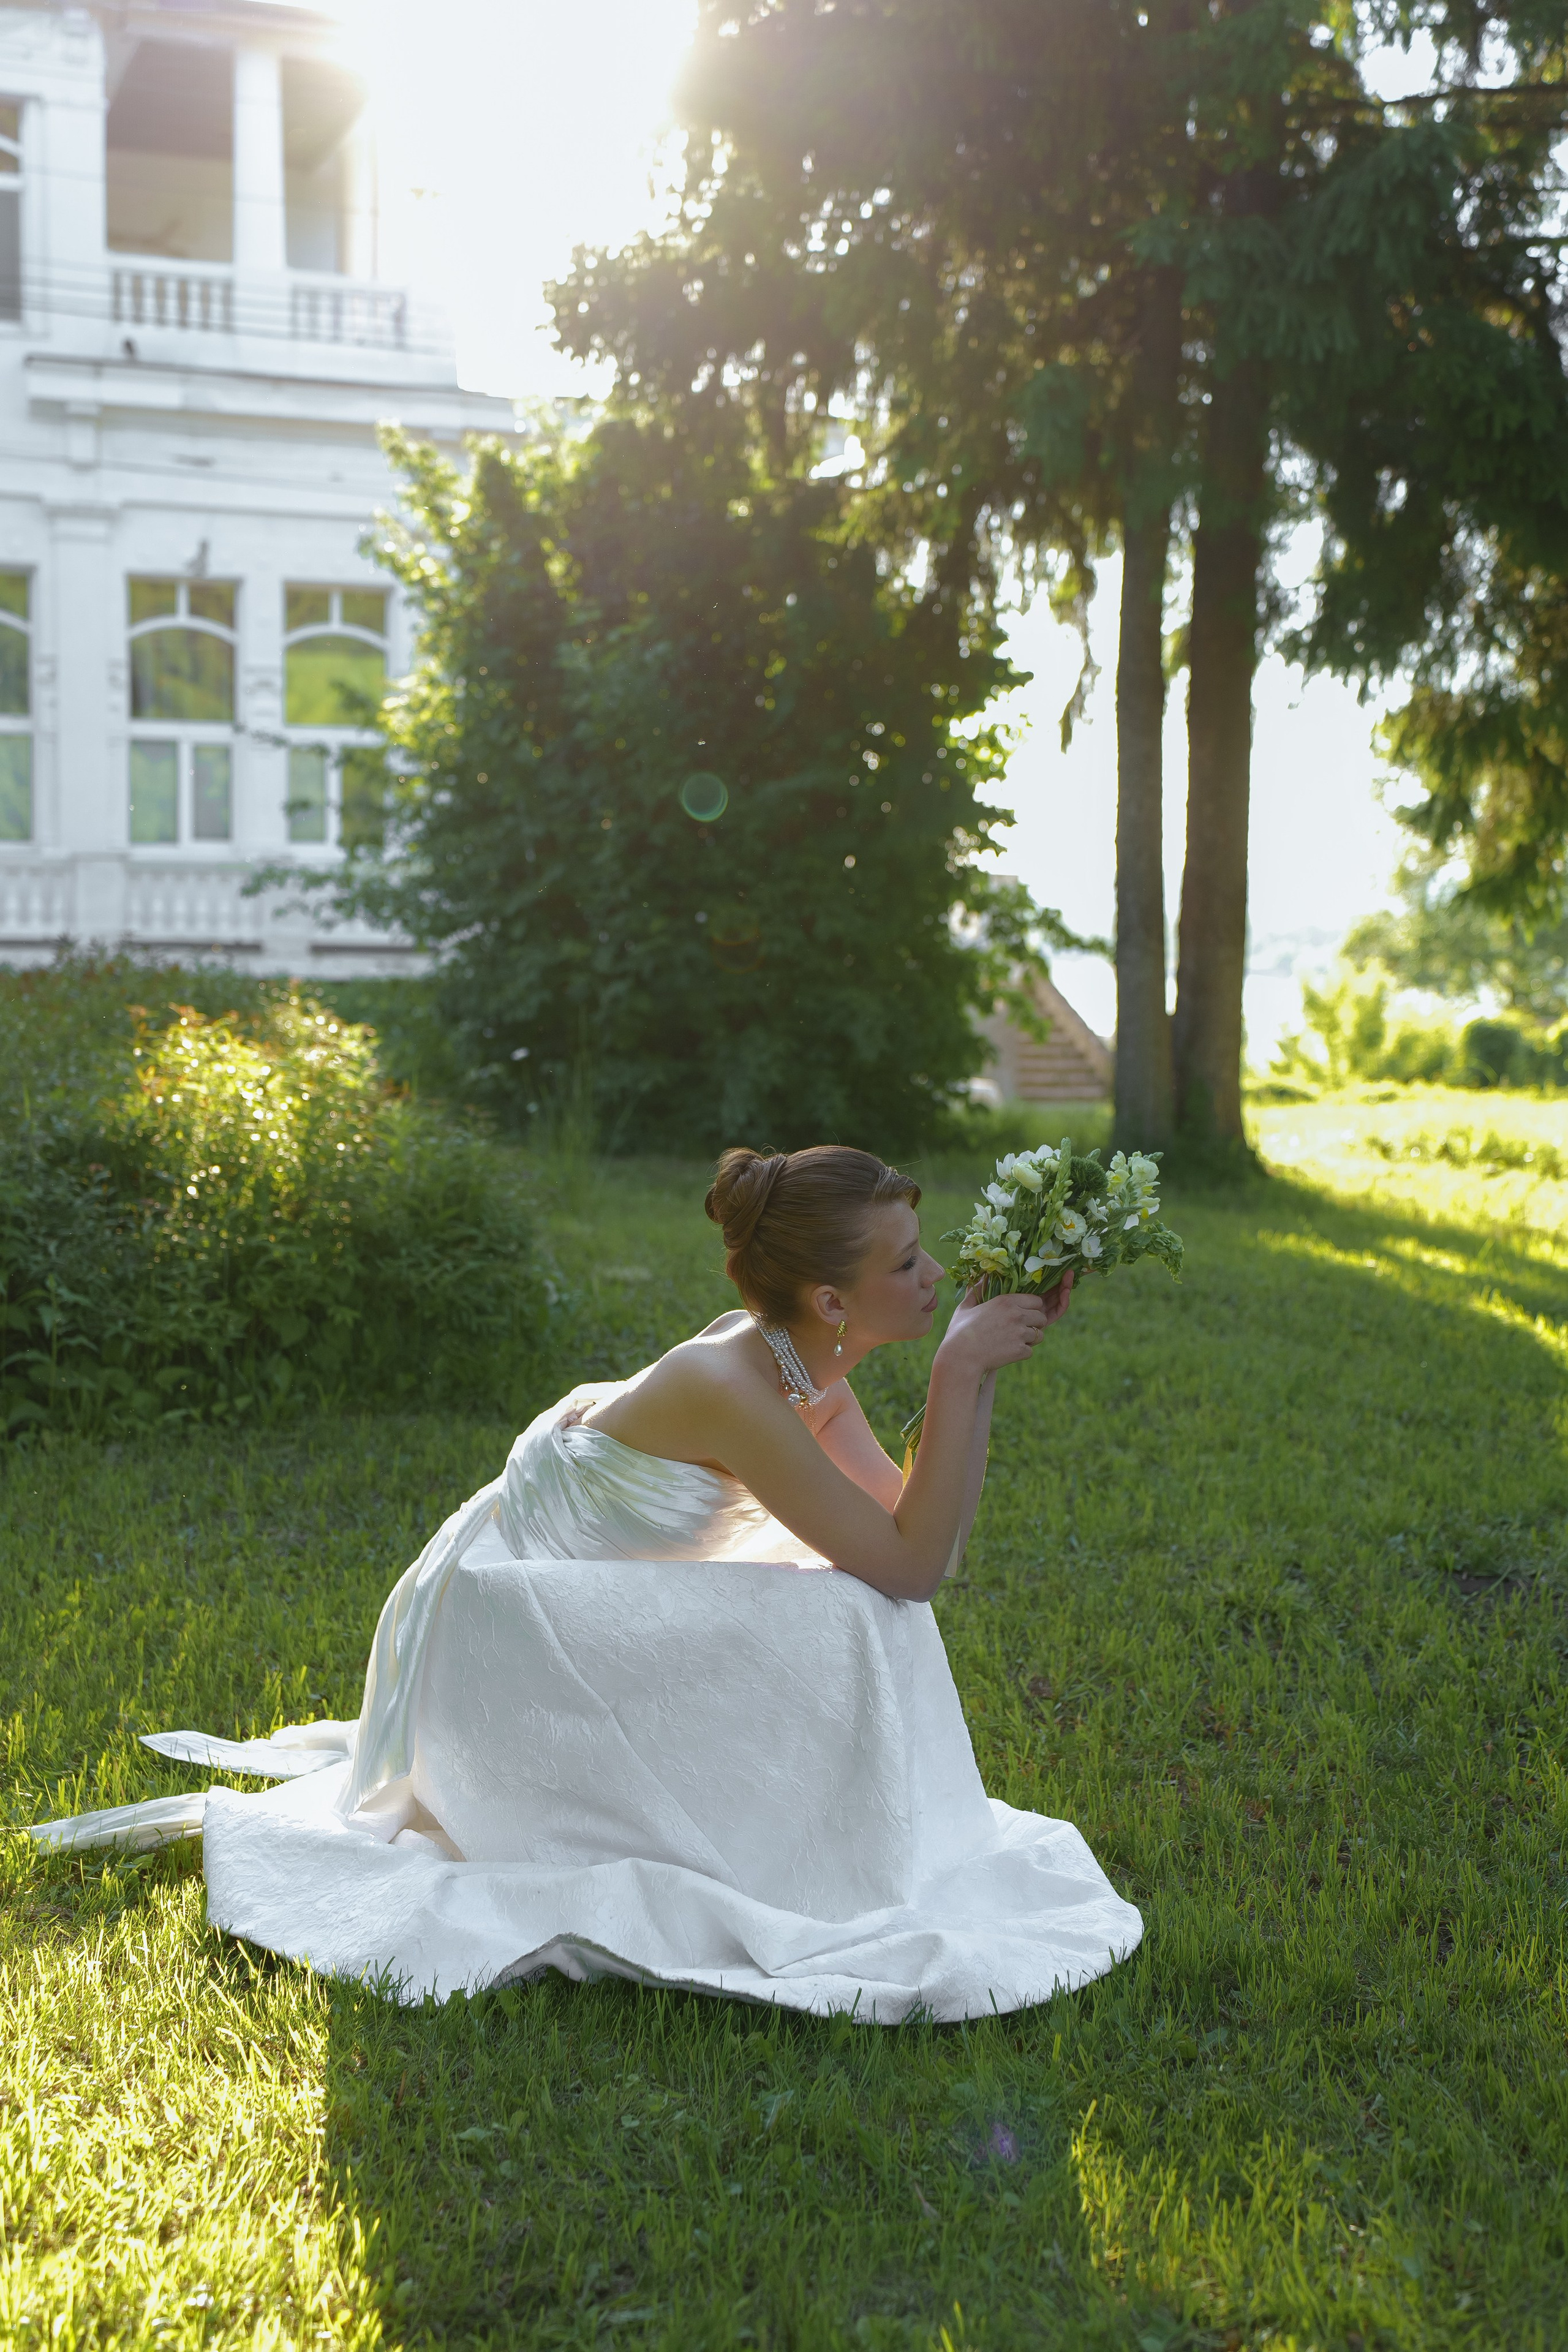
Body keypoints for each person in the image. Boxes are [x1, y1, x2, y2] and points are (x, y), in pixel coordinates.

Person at [31, 1145, 1142, 2022]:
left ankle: (825, 1839)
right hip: (515, 1622)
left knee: (859, 1608)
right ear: (831, 1299)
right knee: (848, 1613)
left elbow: (922, 1553)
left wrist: (979, 1373)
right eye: (906, 1264)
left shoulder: (815, 1374)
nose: (935, 1275)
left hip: (605, 1598)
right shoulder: (735, 1387)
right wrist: (955, 1367)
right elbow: (906, 1566)